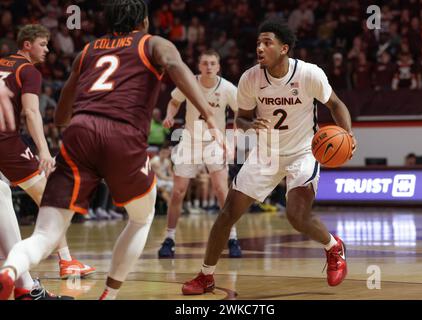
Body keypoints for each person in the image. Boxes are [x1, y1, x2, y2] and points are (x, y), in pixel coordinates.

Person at [0, 0, 221, 301]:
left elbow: (62, 114)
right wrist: (208, 113)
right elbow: (175, 65)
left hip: (79, 132)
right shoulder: (152, 43)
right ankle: (109, 296)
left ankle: (11, 270)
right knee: (141, 218)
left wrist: (69, 121)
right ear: (143, 21)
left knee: (43, 235)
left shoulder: (87, 51)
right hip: (122, 134)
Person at [182, 20, 356, 295]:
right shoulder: (250, 78)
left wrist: (347, 134)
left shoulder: (309, 74)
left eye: (267, 43)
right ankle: (206, 276)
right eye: (258, 43)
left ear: (284, 48)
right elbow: (241, 118)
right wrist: (250, 127)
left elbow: (335, 104)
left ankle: (334, 247)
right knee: (226, 215)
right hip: (265, 153)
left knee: (297, 217)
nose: (260, 48)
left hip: (303, 152)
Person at [0, 25, 95, 299]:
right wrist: (43, 149)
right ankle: (65, 261)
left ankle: (27, 279)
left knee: (4, 195)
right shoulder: (28, 71)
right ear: (27, 45)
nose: (47, 49)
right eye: (43, 44)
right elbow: (31, 112)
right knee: (51, 198)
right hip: (6, 142)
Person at [158, 49, 242, 258]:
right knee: (178, 191)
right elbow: (174, 101)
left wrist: (233, 138)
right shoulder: (189, 82)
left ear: (218, 66)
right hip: (190, 140)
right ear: (199, 66)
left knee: (221, 190)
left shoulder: (228, 88)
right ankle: (169, 238)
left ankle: (232, 237)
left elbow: (241, 112)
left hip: (215, 142)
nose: (209, 67)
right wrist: (169, 115)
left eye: (213, 63)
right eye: (205, 63)